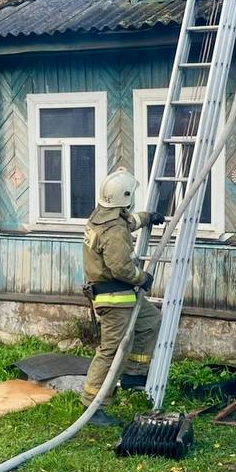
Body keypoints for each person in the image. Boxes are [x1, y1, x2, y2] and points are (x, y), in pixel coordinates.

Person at [80, 168, 166, 424]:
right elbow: (120, 267)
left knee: (150, 321)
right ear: (124, 197)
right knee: (112, 350)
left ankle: (134, 374)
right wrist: (142, 278)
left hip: (122, 296)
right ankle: (93, 404)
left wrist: (148, 217)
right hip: (115, 298)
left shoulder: (103, 217)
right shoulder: (114, 230)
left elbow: (128, 221)